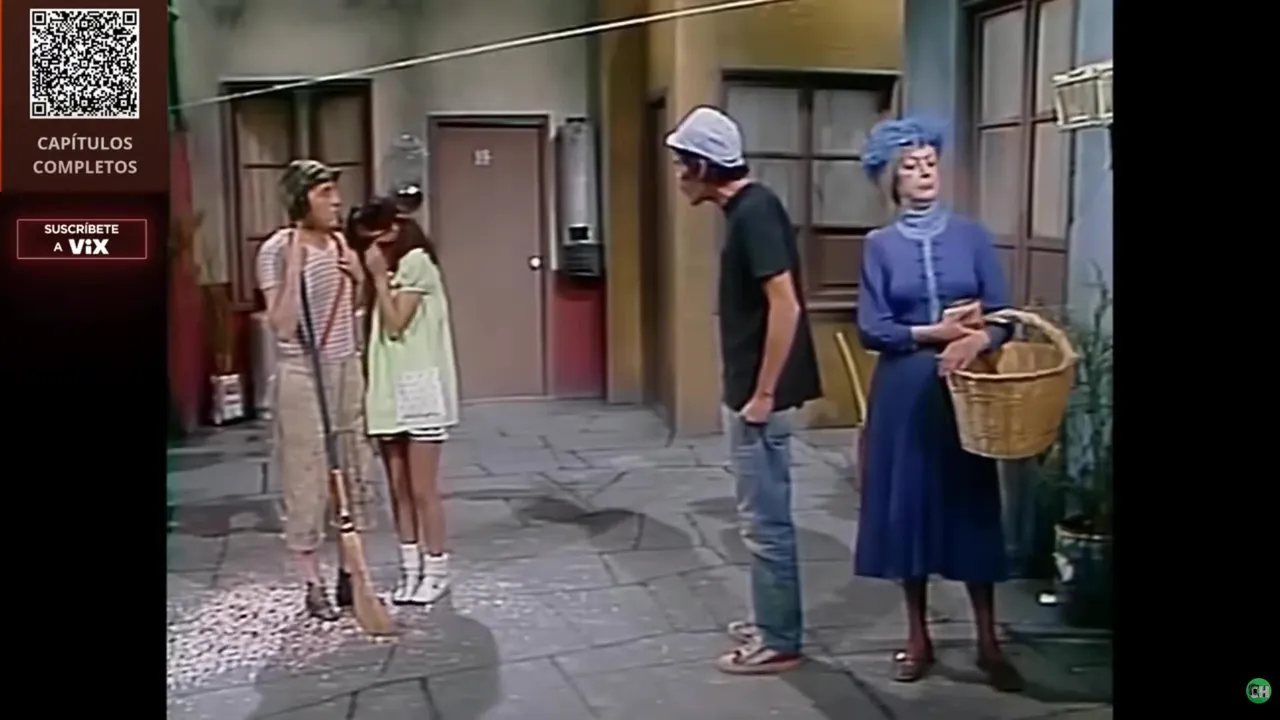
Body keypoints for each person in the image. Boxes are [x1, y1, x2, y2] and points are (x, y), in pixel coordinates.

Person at [853, 118, 1025, 691]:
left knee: (971, 505)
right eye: (911, 166)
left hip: (966, 390)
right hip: (904, 392)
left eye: (930, 163)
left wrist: (979, 339)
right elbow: (873, 327)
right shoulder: (878, 246)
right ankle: (917, 636)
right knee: (907, 508)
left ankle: (988, 640)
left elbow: (1003, 313)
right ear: (892, 179)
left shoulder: (972, 236)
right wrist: (934, 333)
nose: (925, 173)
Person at [664, 106, 823, 675]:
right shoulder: (746, 211)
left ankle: (779, 640)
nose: (678, 175)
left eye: (682, 163)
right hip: (752, 391)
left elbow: (786, 306)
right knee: (760, 518)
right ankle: (771, 621)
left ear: (704, 167)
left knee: (765, 523)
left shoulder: (755, 213)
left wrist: (763, 395)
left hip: (762, 399)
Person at [256, 159, 376, 621]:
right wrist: (293, 269)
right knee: (306, 476)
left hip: (345, 369)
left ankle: (349, 573)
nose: (337, 201)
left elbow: (352, 309)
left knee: (353, 468)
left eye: (334, 191)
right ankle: (313, 585)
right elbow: (283, 325)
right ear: (300, 199)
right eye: (325, 193)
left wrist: (358, 278)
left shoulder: (340, 243)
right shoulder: (276, 250)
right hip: (303, 375)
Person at [352, 196, 459, 606]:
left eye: (376, 239)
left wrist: (380, 278)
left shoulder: (416, 262)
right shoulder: (388, 267)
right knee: (397, 488)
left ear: (393, 230)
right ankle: (410, 569)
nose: (372, 249)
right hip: (387, 386)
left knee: (422, 488)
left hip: (419, 386)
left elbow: (397, 323)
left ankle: (437, 569)